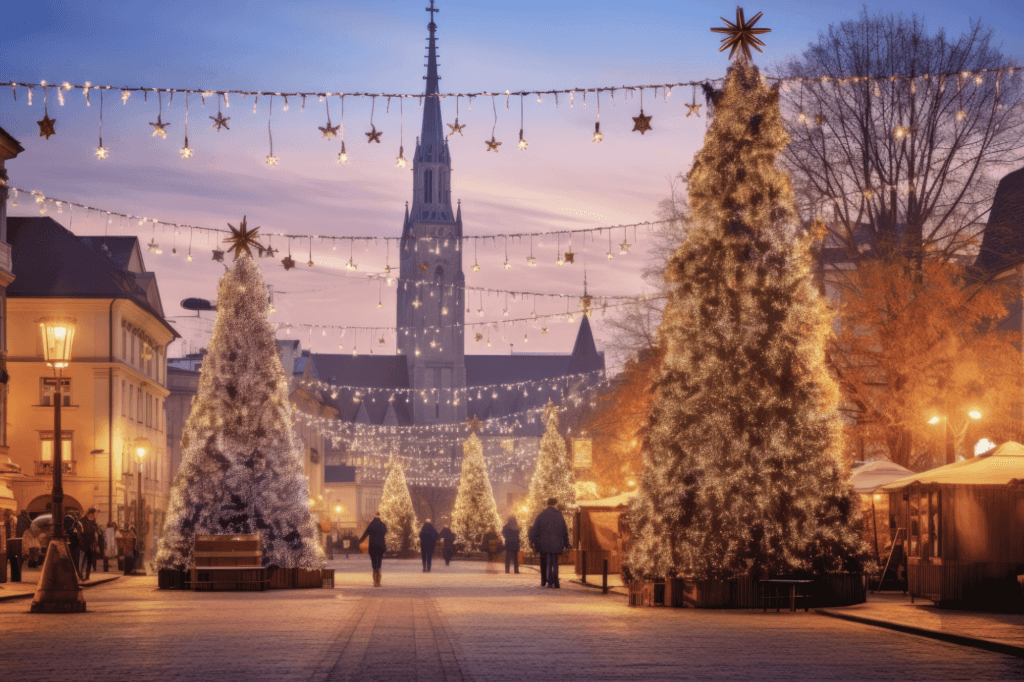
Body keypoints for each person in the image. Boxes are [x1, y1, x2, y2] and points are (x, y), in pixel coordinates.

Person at [529, 497, 570, 588]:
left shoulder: (541, 515)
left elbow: (535, 529)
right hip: (556, 543)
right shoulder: (559, 515)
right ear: (555, 503)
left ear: (547, 504)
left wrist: (532, 541)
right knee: (555, 562)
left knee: (544, 562)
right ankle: (556, 581)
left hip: (543, 543)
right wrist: (566, 543)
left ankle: (545, 580)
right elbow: (564, 530)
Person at [359, 512, 388, 587]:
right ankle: (378, 579)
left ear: (373, 518)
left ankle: (375, 580)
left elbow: (365, 535)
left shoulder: (371, 525)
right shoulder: (383, 525)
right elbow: (386, 532)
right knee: (379, 561)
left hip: (373, 546)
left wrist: (359, 542)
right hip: (381, 546)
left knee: (374, 561)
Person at [79, 508, 99, 580]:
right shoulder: (82, 521)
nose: (96, 515)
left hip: (90, 543)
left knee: (89, 560)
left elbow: (97, 531)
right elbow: (82, 532)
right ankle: (80, 575)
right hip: (84, 543)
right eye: (95, 513)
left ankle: (87, 576)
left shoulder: (93, 521)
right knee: (82, 560)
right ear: (91, 514)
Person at [64, 510, 82, 579]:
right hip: (72, 543)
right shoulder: (69, 519)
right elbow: (70, 530)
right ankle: (77, 575)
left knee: (75, 560)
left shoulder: (75, 521)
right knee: (74, 560)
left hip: (74, 543)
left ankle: (77, 574)